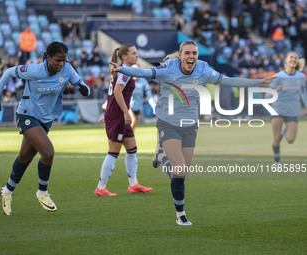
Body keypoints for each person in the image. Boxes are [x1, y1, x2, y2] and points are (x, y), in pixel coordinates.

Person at [110, 40, 275, 225]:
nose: (191, 56)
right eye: (187, 53)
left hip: (190, 125)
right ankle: (180, 215)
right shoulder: (168, 68)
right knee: (179, 169)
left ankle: (162, 156)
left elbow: (227, 80)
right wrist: (122, 69)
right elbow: (145, 73)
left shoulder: (204, 69)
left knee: (180, 174)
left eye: (194, 53)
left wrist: (258, 82)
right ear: (180, 55)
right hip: (168, 123)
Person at [0, 41, 91, 215]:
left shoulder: (67, 69)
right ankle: (42, 192)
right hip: (27, 115)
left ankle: (6, 192)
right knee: (48, 152)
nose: (61, 64)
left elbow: (84, 87)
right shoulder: (35, 70)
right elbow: (8, 72)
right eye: (58, 60)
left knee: (24, 158)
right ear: (48, 58)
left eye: (64, 60)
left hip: (46, 119)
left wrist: (83, 88)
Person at [95, 44, 152, 196]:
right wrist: (125, 113)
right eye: (134, 53)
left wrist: (109, 112)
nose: (137, 55)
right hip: (119, 115)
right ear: (125, 57)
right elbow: (117, 92)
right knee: (113, 152)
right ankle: (101, 187)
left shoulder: (121, 70)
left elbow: (112, 94)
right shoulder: (124, 72)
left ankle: (133, 184)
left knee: (132, 148)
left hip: (116, 114)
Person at [267, 51, 307, 167]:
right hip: (278, 110)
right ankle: (277, 163)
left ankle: (285, 131)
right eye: (291, 57)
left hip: (293, 111)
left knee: (290, 139)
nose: (293, 59)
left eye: (295, 57)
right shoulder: (278, 76)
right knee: (276, 139)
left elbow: (304, 93)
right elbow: (267, 95)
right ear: (286, 60)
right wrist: (276, 90)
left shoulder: (300, 76)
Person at [129, 64, 156, 131]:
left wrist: (154, 106)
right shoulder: (127, 80)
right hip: (127, 106)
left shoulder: (143, 81)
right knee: (133, 121)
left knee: (133, 127)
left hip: (137, 107)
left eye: (137, 70)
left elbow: (149, 95)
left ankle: (128, 140)